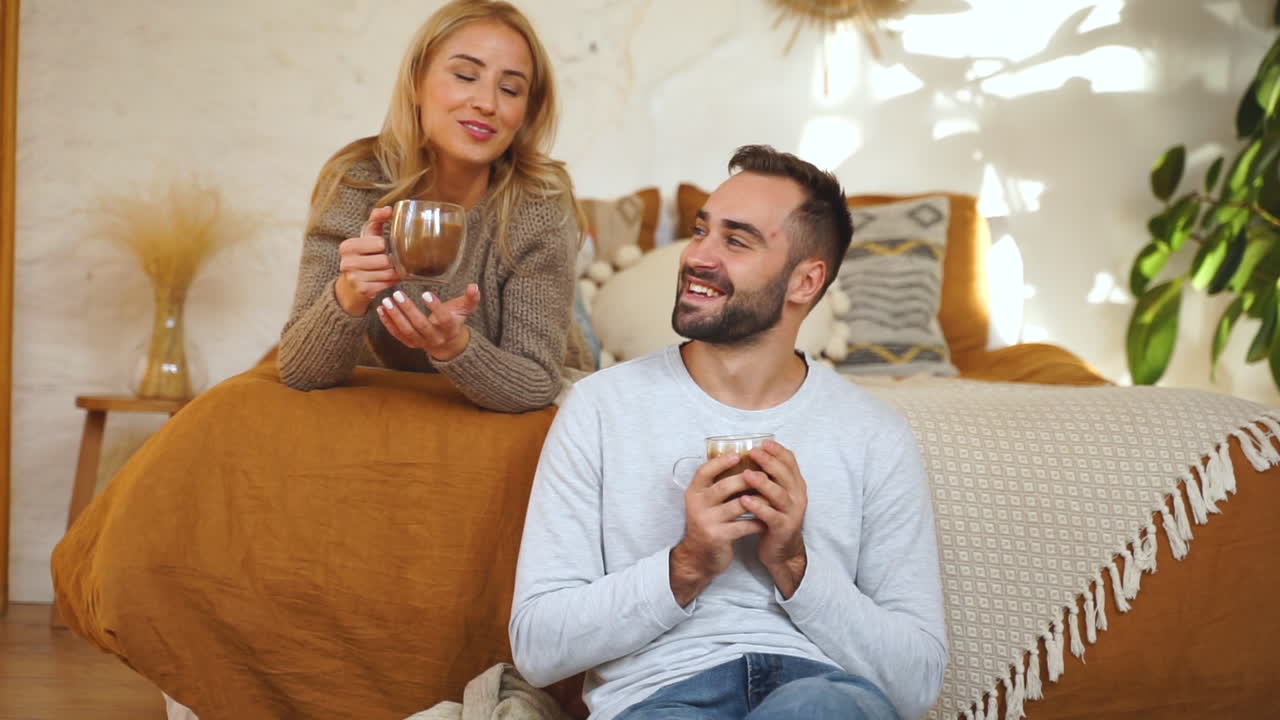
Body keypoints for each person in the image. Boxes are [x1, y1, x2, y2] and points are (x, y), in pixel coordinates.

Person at [509, 146, 948, 720]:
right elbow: (537, 648)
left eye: (736, 240)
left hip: (822, 694)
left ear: (804, 281)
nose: (697, 256)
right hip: (662, 698)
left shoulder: (872, 432)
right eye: (700, 231)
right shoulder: (601, 407)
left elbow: (918, 682)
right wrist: (686, 565)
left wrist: (794, 563)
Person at [278, 0, 592, 412]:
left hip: (554, 349)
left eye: (510, 89)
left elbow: (536, 383)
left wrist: (453, 345)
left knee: (582, 334)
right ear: (415, 82)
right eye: (465, 75)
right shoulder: (356, 181)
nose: (487, 103)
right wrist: (349, 293)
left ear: (525, 113)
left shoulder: (540, 200)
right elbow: (300, 372)